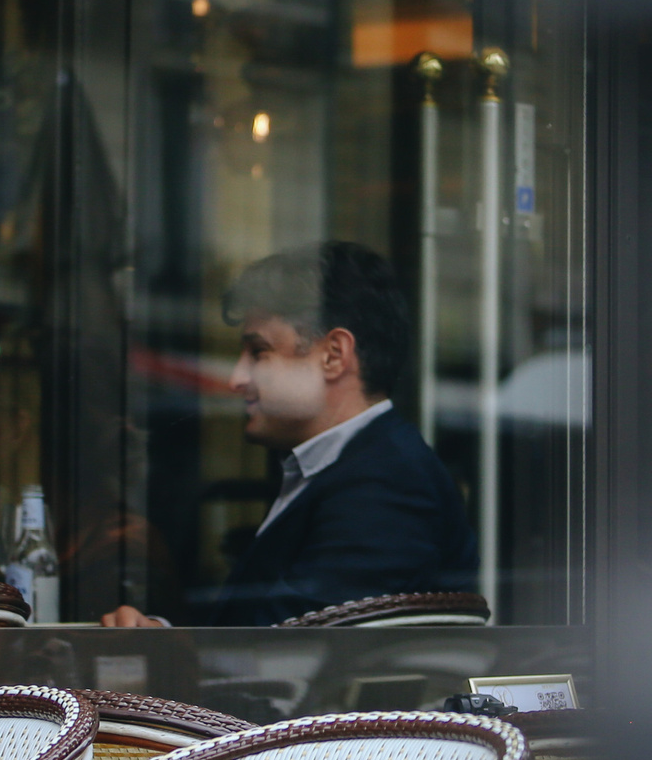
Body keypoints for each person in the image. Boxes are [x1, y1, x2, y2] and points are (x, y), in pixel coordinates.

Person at [101, 241, 474, 627]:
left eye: (259, 353)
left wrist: (165, 649)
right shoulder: (355, 469)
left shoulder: (387, 486)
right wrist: (159, 636)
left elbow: (290, 656)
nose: (236, 378)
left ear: (334, 355)